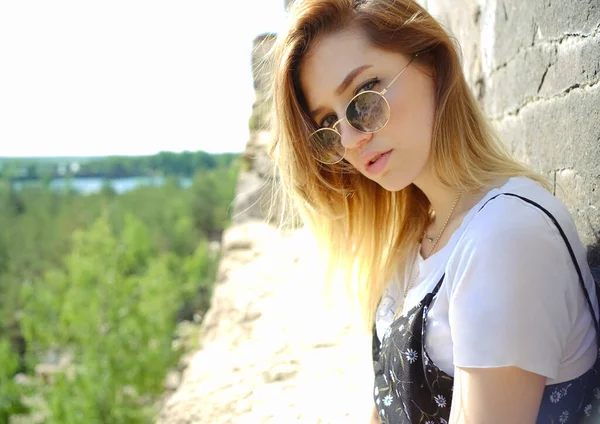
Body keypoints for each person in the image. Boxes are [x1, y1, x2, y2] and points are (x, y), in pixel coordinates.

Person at [266, 0, 600, 422]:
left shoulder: (505, 237)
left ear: (433, 64)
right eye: (328, 125)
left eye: (363, 97)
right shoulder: (414, 241)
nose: (349, 140)